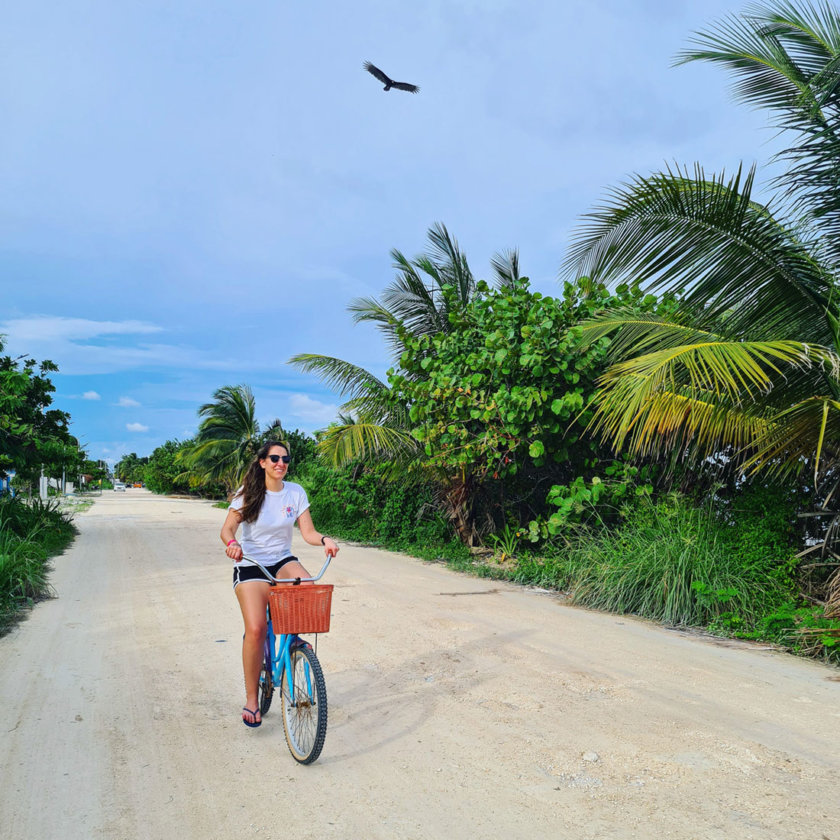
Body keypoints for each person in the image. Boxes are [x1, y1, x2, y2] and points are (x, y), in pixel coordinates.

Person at [220, 440, 338, 728]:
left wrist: (324, 540)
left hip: (282, 560)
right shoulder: (247, 494)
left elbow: (308, 532)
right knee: (257, 629)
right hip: (251, 564)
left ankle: (295, 645)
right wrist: (233, 544)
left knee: (307, 591)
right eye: (274, 458)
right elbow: (227, 529)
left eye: (285, 459)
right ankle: (251, 699)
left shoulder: (295, 492)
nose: (280, 463)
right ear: (262, 462)